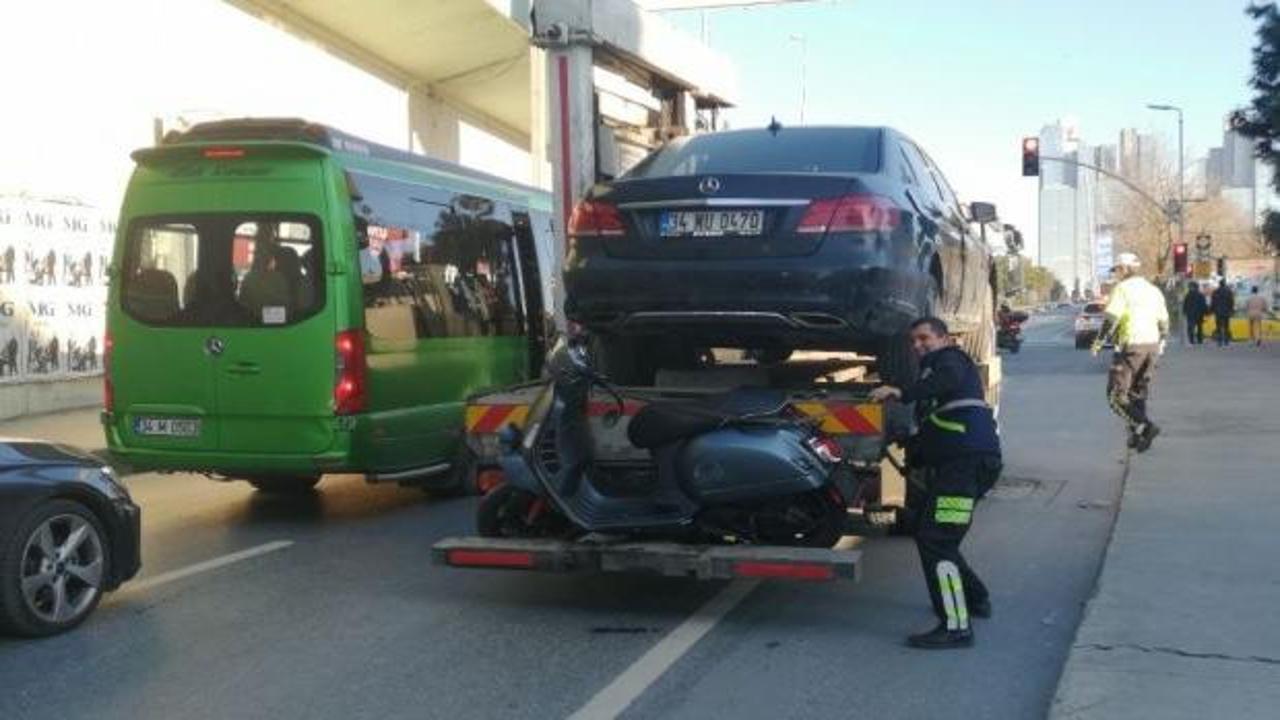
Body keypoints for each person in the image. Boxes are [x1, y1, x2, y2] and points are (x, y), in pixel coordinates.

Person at [870, 317, 1002, 650]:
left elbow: (948, 379)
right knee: (937, 536)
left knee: (936, 540)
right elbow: (937, 432)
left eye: (924, 338)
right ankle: (976, 598)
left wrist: (900, 391)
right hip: (965, 466)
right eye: (914, 341)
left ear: (943, 338)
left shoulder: (951, 359)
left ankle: (956, 627)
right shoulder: (937, 377)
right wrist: (904, 449)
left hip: (965, 468)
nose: (918, 345)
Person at [1093, 253, 1168, 453]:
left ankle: (1147, 427)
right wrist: (1161, 344)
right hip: (1152, 347)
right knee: (1137, 394)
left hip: (1132, 346)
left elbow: (1111, 318)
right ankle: (1138, 435)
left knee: (1115, 398)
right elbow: (1164, 322)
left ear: (1124, 269)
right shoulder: (1153, 290)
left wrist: (1099, 342)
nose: (1116, 274)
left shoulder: (1122, 289)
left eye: (1117, 270)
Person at [1211, 279, 1236, 347]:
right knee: (1226, 326)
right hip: (1226, 311)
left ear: (1219, 284)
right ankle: (1226, 341)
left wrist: (1212, 310)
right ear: (1224, 284)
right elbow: (1231, 302)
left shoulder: (1215, 292)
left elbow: (1213, 302)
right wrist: (1231, 310)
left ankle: (1219, 341)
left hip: (1218, 312)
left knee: (1218, 326)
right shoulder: (1228, 292)